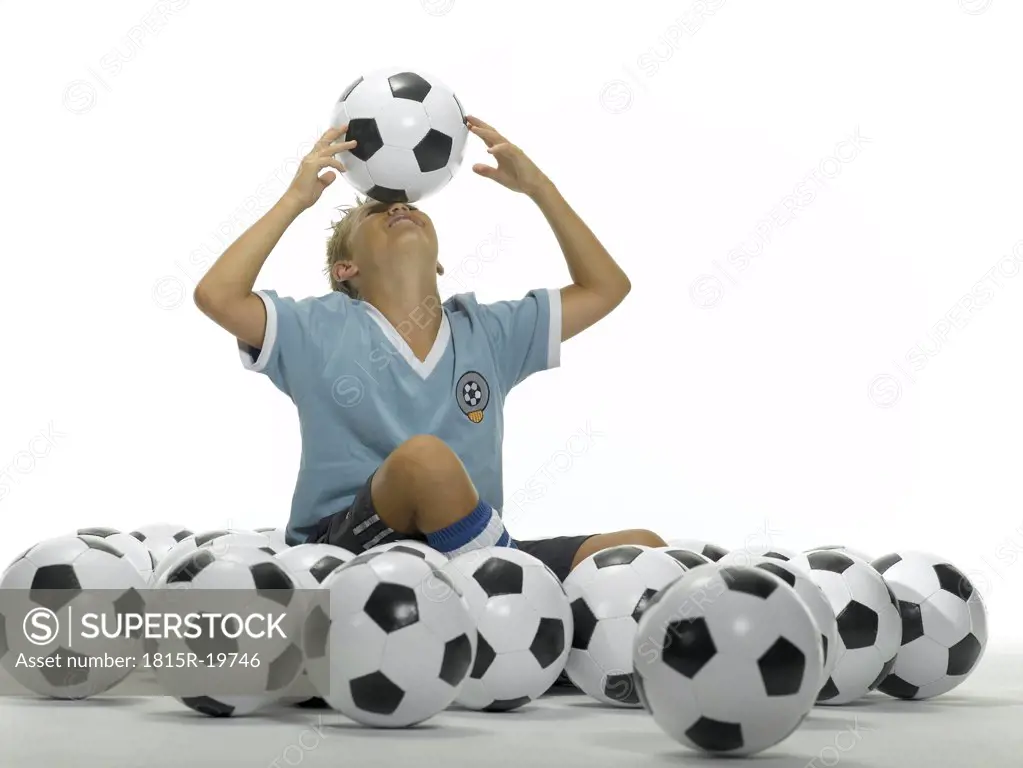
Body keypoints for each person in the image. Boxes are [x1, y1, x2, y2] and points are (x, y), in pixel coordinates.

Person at [193, 115, 666, 583]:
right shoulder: (315, 326)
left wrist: (538, 187)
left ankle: (504, 576)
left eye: (409, 206)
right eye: (375, 211)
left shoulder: (488, 331)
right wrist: (296, 199)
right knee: (425, 461)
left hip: (458, 544)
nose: (397, 207)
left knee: (642, 550)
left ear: (438, 263)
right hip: (341, 551)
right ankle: (506, 586)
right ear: (345, 269)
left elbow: (606, 287)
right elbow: (217, 295)